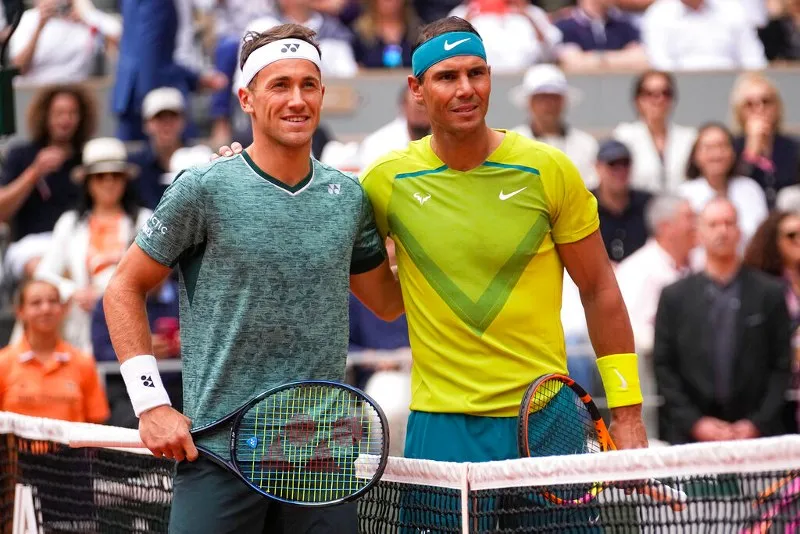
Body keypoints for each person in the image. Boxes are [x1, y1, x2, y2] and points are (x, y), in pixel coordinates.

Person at [103, 23, 403, 534]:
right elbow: (122, 288)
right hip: (219, 455)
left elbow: (388, 302)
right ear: (245, 98)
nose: (297, 99)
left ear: (323, 94)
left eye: (308, 84)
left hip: (322, 462)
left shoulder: (349, 199)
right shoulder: (203, 189)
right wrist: (151, 402)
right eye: (279, 85)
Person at [362, 16, 646, 462]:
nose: (465, 89)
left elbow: (599, 289)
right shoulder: (385, 181)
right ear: (416, 89)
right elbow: (385, 302)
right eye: (447, 77)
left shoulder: (549, 170)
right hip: (440, 424)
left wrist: (628, 413)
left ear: (490, 77)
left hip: (547, 416)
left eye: (476, 73)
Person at [653, 197, 792, 444]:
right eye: (714, 224)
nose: (723, 231)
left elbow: (781, 365)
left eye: (729, 223)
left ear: (739, 231)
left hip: (759, 439)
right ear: (699, 233)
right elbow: (664, 367)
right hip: (691, 441)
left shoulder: (769, 293)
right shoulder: (674, 297)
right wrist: (696, 423)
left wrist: (756, 423)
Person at [33, 137, 151, 353]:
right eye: (99, 176)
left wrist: (105, 295)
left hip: (132, 318)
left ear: (125, 180)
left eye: (115, 175)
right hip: (81, 328)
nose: (108, 182)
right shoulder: (70, 223)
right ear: (87, 182)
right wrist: (74, 292)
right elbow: (44, 274)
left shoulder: (145, 220)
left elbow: (155, 278)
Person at [0, 279, 109, 423]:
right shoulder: (3, 363)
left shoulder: (83, 362)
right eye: (36, 303)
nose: (46, 309)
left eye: (52, 301)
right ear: (20, 311)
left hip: (72, 446)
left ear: (64, 308)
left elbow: (97, 422)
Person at [612, 70, 696, 194]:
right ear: (637, 100)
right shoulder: (624, 136)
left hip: (683, 208)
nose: (659, 99)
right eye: (650, 93)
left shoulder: (690, 137)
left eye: (665, 93)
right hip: (639, 209)